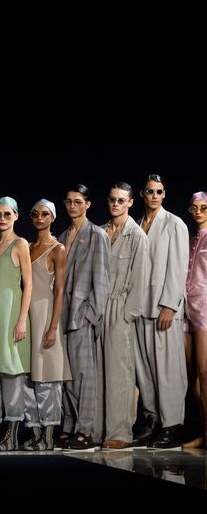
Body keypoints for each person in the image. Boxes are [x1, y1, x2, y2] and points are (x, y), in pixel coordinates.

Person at [135, 175, 190, 448]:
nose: (154, 196)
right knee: (145, 372)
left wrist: (170, 304)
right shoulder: (137, 224)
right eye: (150, 191)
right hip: (140, 307)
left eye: (159, 192)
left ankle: (172, 425)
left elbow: (179, 266)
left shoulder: (174, 223)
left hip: (163, 307)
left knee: (168, 369)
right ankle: (153, 421)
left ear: (164, 194)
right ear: (142, 194)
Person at [58, 184, 110, 450]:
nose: (72, 206)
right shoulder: (63, 235)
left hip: (82, 315)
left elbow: (101, 279)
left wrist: (90, 314)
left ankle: (86, 430)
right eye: (69, 201)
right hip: (62, 315)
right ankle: (70, 425)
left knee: (84, 376)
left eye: (78, 201)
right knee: (66, 375)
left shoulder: (97, 235)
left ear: (87, 204)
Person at [100, 182, 151, 449]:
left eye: (121, 200)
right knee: (99, 371)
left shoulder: (137, 236)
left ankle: (120, 432)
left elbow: (140, 281)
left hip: (120, 308)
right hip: (98, 308)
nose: (115, 204)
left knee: (119, 372)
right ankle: (99, 429)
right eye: (112, 199)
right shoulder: (100, 232)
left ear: (130, 202)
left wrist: (126, 316)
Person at [22, 200, 69, 451]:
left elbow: (60, 291)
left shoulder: (57, 249)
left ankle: (49, 434)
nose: (39, 218)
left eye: (45, 214)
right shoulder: (27, 247)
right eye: (35, 214)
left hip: (46, 314)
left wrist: (53, 327)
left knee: (47, 376)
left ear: (52, 218)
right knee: (29, 377)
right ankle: (35, 431)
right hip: (27, 316)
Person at [0, 198, 33, 451]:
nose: (2, 218)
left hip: (10, 310)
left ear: (16, 216)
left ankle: (12, 435)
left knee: (11, 372)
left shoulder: (20, 244)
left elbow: (28, 283)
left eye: (7, 214)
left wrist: (21, 319)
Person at [184, 191, 207, 448]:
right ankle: (204, 432)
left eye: (204, 207)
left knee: (204, 372)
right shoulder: (190, 239)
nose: (198, 212)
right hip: (186, 310)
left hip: (205, 308)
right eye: (194, 208)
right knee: (192, 377)